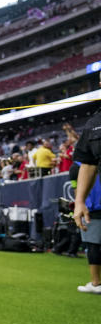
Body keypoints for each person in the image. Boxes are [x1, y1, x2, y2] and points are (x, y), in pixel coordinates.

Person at [71, 121, 101, 294]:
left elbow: (76, 189)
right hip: (91, 206)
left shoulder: (76, 168)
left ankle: (96, 282)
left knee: (93, 245)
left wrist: (79, 202)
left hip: (93, 207)